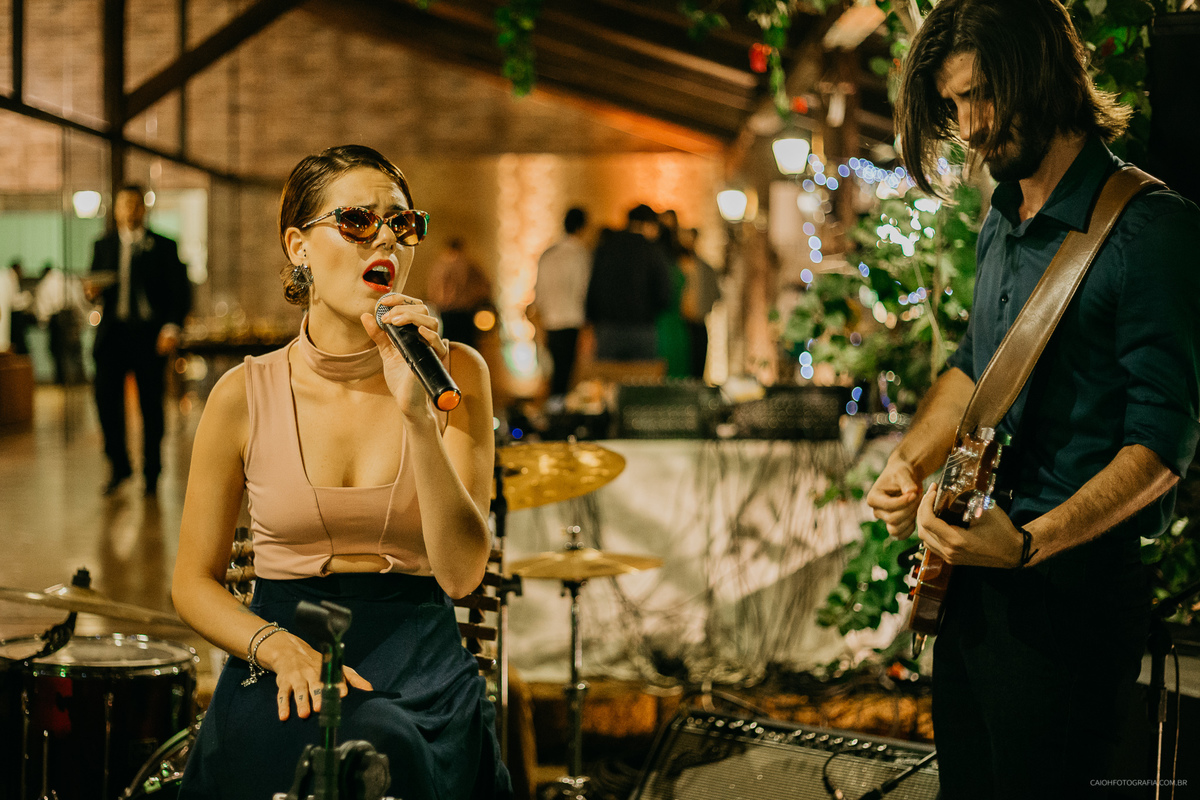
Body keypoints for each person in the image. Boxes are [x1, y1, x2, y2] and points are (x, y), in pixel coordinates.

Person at [866, 0, 1200, 796]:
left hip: (1070, 601)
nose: (970, 126)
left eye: (982, 95)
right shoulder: (1002, 215)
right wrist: (910, 463)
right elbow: (973, 367)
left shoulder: (1151, 230)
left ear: (1045, 72)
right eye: (952, 104)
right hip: (975, 592)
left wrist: (1027, 544)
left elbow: (1163, 447)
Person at [171, 145, 511, 800]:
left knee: (387, 744)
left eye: (403, 223)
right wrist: (275, 646)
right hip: (284, 652)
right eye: (357, 220)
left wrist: (417, 417)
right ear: (298, 245)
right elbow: (191, 582)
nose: (386, 237)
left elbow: (465, 574)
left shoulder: (456, 374)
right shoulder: (242, 394)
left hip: (423, 663)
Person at [88, 185, 191, 495]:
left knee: (151, 406)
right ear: (116, 209)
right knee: (106, 402)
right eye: (124, 204)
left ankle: (152, 472)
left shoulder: (163, 245)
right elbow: (96, 290)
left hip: (149, 335)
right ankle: (119, 466)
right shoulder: (103, 245)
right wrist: (91, 293)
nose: (130, 210)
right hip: (113, 335)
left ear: (143, 209)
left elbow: (180, 292)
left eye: (135, 204)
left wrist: (171, 328)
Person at [585, 204, 671, 361]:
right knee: (641, 382)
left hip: (608, 328)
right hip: (642, 328)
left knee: (608, 380)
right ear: (647, 224)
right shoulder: (652, 251)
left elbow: (594, 286)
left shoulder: (606, 247)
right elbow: (664, 293)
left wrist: (593, 319)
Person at [533, 207, 590, 399]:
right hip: (572, 321)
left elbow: (539, 293)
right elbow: (583, 290)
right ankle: (563, 416)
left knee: (553, 374)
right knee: (568, 376)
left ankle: (554, 412)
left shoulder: (548, 254)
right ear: (582, 228)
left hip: (550, 321)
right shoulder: (581, 255)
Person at [425, 237, 492, 348]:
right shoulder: (469, 265)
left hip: (446, 311)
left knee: (448, 345)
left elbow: (433, 289)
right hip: (465, 312)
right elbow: (484, 286)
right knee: (467, 346)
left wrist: (436, 302)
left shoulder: (440, 265)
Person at [676, 227, 719, 380]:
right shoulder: (675, 265)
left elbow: (714, 295)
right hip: (680, 324)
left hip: (698, 323)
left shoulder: (706, 268)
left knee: (698, 371)